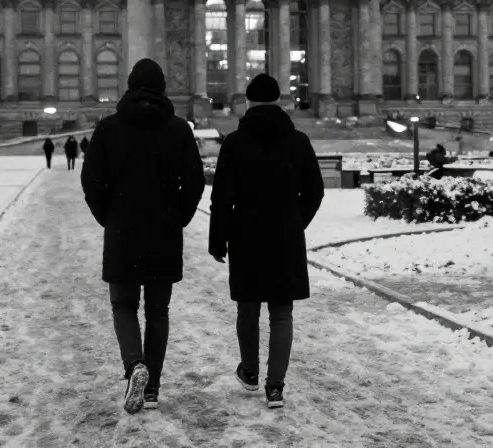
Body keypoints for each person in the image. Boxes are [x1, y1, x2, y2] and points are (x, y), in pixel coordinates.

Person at [80, 58, 205, 413]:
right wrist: (179, 215)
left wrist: (107, 215)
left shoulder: (108, 128)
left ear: (130, 87)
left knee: (123, 305)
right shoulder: (179, 129)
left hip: (122, 229)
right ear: (163, 89)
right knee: (158, 310)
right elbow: (195, 181)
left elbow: (90, 180)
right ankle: (152, 388)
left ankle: (135, 364)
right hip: (164, 230)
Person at [209, 74, 324, 410]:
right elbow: (315, 191)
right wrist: (294, 222)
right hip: (285, 236)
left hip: (245, 233)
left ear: (248, 102)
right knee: (282, 312)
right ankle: (275, 387)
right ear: (279, 101)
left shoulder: (234, 142)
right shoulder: (298, 141)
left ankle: (250, 372)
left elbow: (221, 197)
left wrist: (219, 240)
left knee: (248, 307)